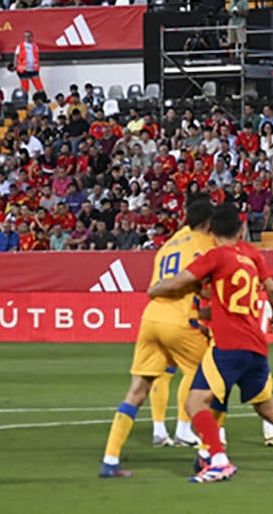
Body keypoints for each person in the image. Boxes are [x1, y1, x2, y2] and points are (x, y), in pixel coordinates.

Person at [148, 207, 273, 482]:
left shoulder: (215, 256)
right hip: (255, 345)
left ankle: (219, 460)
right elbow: (271, 289)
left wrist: (155, 289)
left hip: (227, 344)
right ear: (240, 231)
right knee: (269, 410)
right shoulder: (251, 254)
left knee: (194, 402)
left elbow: (180, 280)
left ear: (212, 233)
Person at [98, 197, 216, 477]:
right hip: (180, 318)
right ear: (209, 223)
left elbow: (158, 283)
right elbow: (204, 288)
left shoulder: (169, 244)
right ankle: (204, 453)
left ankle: (110, 460)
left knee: (137, 390)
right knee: (208, 378)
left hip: (151, 317)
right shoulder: (205, 245)